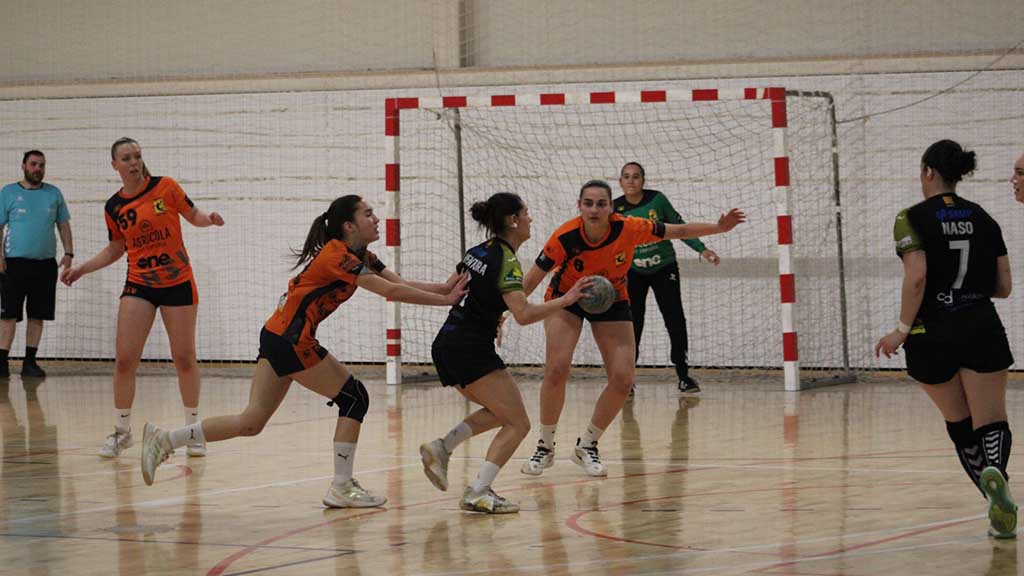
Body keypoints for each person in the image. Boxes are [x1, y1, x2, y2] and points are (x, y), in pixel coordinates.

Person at [140, 195, 469, 509]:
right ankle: (342, 486)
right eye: (368, 214)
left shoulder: (363, 256)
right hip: (290, 340)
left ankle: (165, 440)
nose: (376, 219)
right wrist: (444, 301)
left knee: (251, 422)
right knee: (354, 397)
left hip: (276, 335)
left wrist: (445, 288)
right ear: (348, 225)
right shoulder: (337, 256)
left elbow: (399, 282)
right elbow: (391, 292)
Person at [520, 180, 744, 477]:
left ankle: (587, 445)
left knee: (623, 379)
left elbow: (678, 231)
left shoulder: (629, 227)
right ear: (579, 206)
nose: (595, 209)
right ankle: (545, 446)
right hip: (568, 297)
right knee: (557, 369)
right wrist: (505, 313)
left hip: (611, 297)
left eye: (601, 204)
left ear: (611, 207)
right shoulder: (565, 236)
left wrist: (719, 228)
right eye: (588, 203)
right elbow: (532, 278)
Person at [875, 140, 1016, 538]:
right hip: (979, 325)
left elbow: (917, 276)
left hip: (930, 334)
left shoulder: (910, 218)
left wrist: (900, 331)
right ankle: (996, 473)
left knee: (960, 424)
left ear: (928, 171)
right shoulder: (984, 217)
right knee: (992, 420)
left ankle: (996, 501)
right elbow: (1004, 286)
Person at [419, 192, 591, 514]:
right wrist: (566, 300)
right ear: (513, 220)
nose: (530, 219)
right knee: (519, 424)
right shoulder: (507, 261)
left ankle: (442, 447)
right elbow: (524, 314)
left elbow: (449, 289)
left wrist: (493, 315)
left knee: (501, 413)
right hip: (470, 348)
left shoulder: (477, 251)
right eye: (526, 213)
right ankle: (477, 491)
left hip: (449, 343)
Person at [61, 138, 223, 458]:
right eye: (126, 158)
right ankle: (122, 433)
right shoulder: (114, 207)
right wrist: (81, 269)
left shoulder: (166, 187)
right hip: (139, 284)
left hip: (177, 282)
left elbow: (193, 215)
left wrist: (210, 219)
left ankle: (193, 431)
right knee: (125, 359)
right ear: (115, 165)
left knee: (184, 357)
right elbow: (116, 248)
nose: (133, 162)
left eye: (137, 156)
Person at [613, 162, 719, 394]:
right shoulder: (614, 209)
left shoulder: (657, 200)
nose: (631, 181)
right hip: (633, 273)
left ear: (643, 180)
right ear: (620, 181)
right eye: (626, 176)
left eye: (636, 176)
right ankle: (627, 380)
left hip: (664, 268)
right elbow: (609, 243)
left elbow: (680, 228)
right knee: (632, 324)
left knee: (675, 319)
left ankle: (684, 376)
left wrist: (702, 249)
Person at [0, 150, 73, 379]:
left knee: (37, 315)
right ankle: (1, 363)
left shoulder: (53, 193)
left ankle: (29, 363)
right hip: (13, 265)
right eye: (33, 164)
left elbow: (63, 224)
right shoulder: (8, 192)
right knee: (8, 315)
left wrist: (69, 253)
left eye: (41, 165)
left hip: (45, 265)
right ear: (23, 166)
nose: (37, 169)